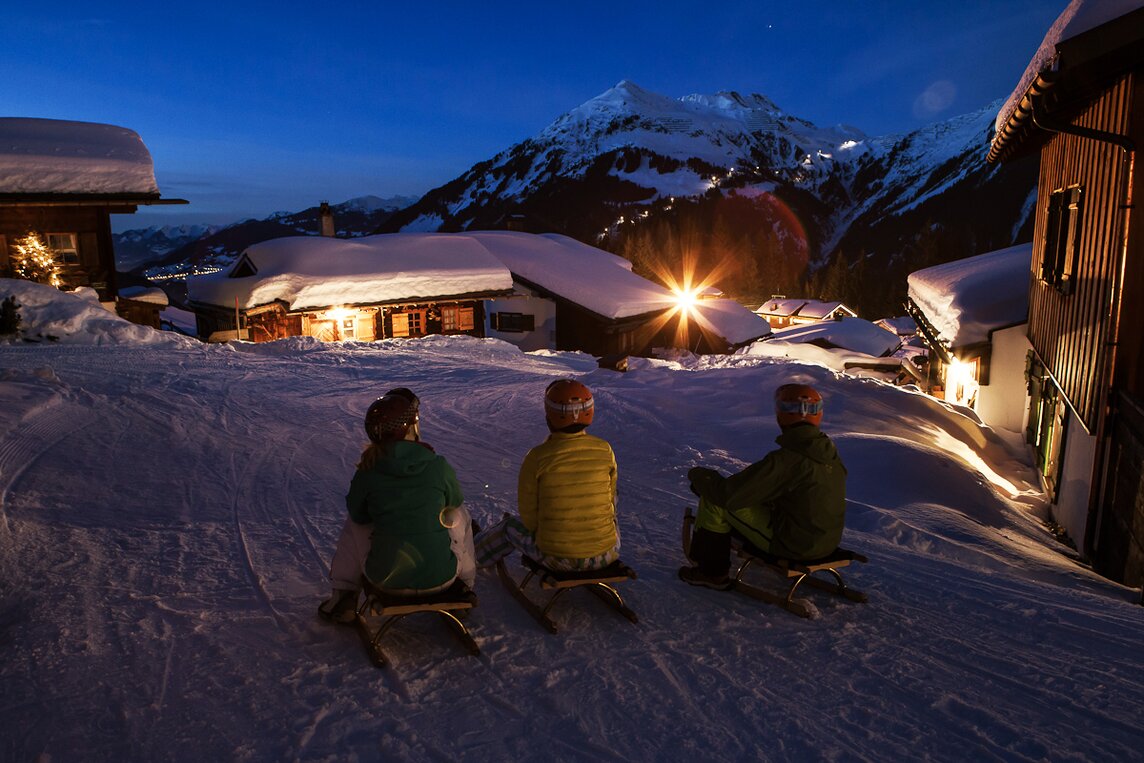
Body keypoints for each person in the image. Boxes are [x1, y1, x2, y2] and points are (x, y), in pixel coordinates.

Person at [318, 388, 476, 623]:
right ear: (410, 427)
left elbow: (358, 514)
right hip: (442, 577)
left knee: (356, 523)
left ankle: (344, 595)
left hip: (386, 579)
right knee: (456, 512)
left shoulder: (369, 470)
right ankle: (464, 585)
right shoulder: (437, 465)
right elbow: (453, 501)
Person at [679, 383, 847, 590]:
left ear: (781, 414)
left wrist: (699, 476)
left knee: (715, 502)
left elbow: (729, 496)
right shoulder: (827, 454)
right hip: (825, 541)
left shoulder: (788, 459)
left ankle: (711, 573)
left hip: (795, 545)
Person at [474, 379, 619, 572]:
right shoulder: (604, 449)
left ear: (549, 415)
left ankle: (473, 556)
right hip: (606, 554)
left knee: (509, 527)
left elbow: (529, 515)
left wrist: (544, 533)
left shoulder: (538, 456)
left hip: (558, 558)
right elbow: (611, 499)